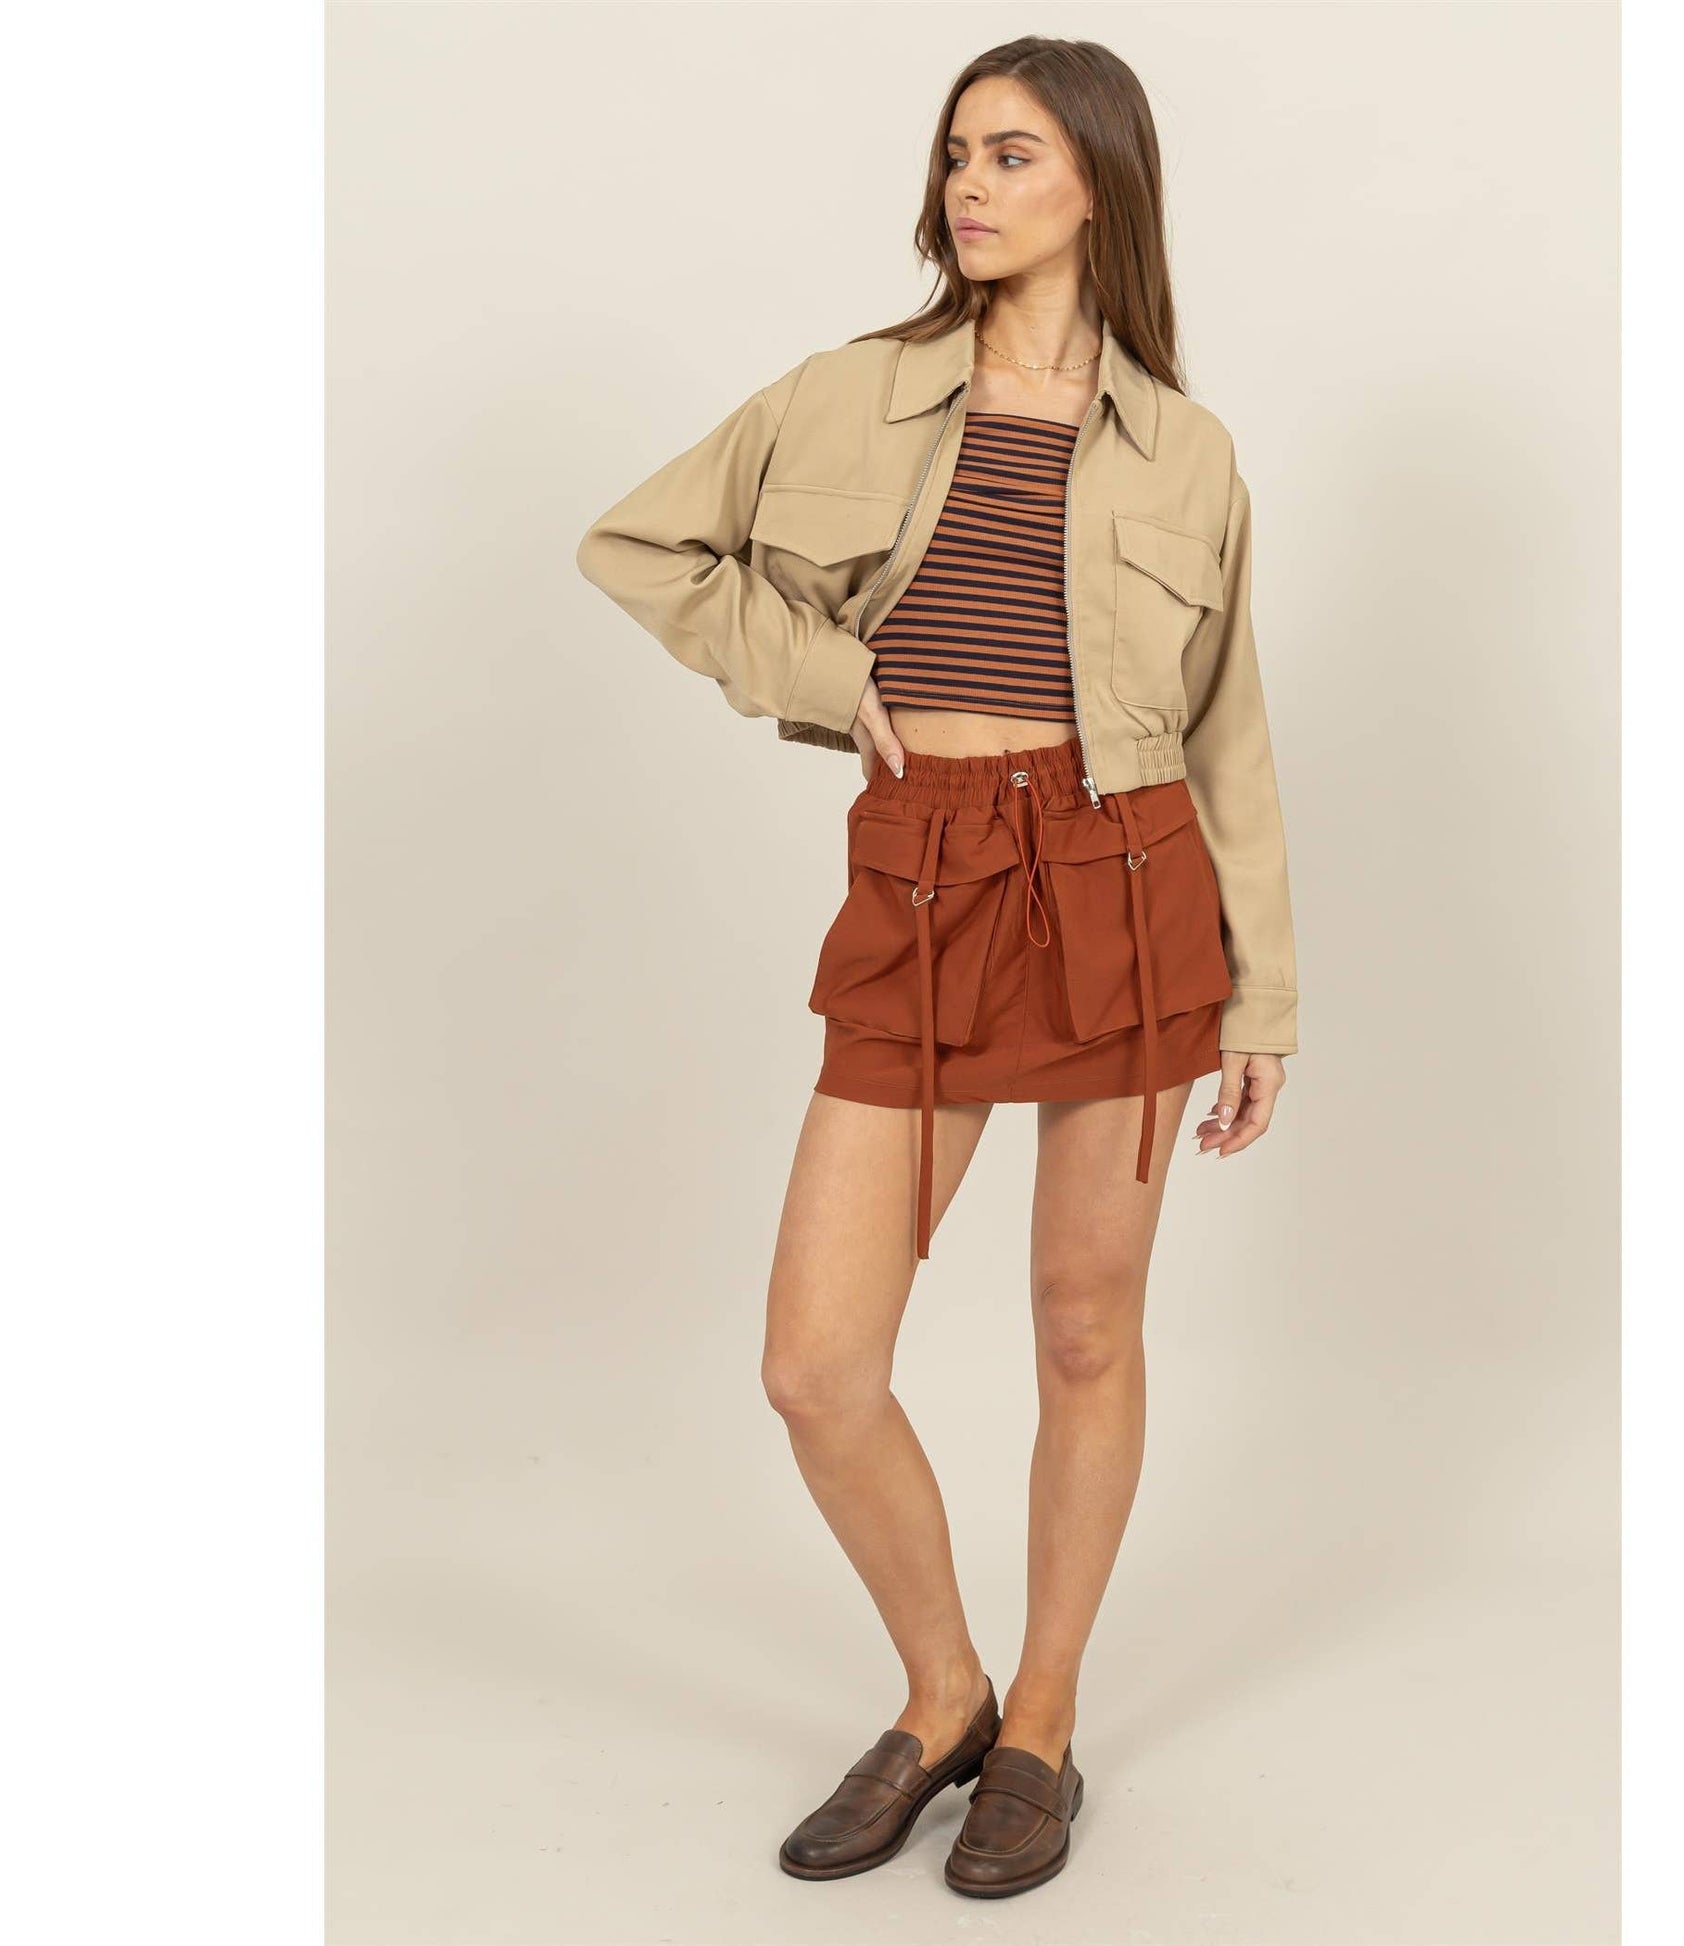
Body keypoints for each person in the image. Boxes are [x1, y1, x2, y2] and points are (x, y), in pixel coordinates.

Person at [575, 34, 1298, 1901]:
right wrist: (832, 680)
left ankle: (1039, 1717)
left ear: (1100, 183)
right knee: (817, 1364)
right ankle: (942, 1687)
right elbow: (642, 543)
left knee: (1084, 1326)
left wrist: (1263, 997)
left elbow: (1226, 735)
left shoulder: (1188, 450)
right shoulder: (851, 393)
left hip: (1128, 885)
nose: (971, 185)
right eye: (959, 153)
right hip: (924, 882)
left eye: (1014, 155)